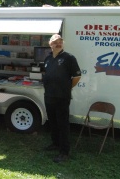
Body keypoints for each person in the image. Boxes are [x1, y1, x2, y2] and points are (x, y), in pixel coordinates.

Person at [42, 34, 81, 163]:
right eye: (55, 42)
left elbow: (77, 77)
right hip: (49, 96)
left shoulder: (69, 58)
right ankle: (55, 143)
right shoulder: (47, 59)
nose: (58, 44)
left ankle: (64, 152)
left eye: (60, 42)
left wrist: (67, 88)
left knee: (63, 124)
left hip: (62, 97)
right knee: (52, 122)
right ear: (50, 44)